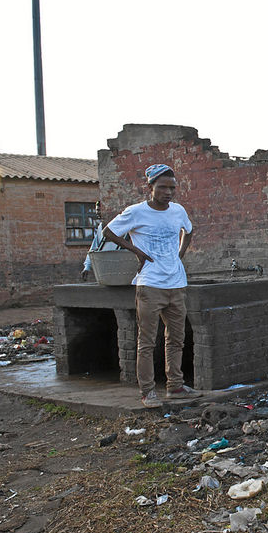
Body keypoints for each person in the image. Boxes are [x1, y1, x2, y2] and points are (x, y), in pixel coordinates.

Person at [103, 164, 202, 408]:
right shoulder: (136, 212)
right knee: (147, 341)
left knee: (176, 339)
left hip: (176, 283)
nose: (168, 192)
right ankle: (147, 392)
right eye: (162, 187)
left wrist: (179, 255)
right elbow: (108, 232)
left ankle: (175, 386)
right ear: (150, 187)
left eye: (172, 188)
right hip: (150, 284)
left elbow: (188, 231)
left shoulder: (178, 211)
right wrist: (137, 251)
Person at [80, 202, 119, 281]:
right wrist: (87, 267)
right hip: (105, 268)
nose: (97, 213)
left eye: (99, 210)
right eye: (96, 210)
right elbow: (93, 248)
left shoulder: (120, 224)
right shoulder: (101, 227)